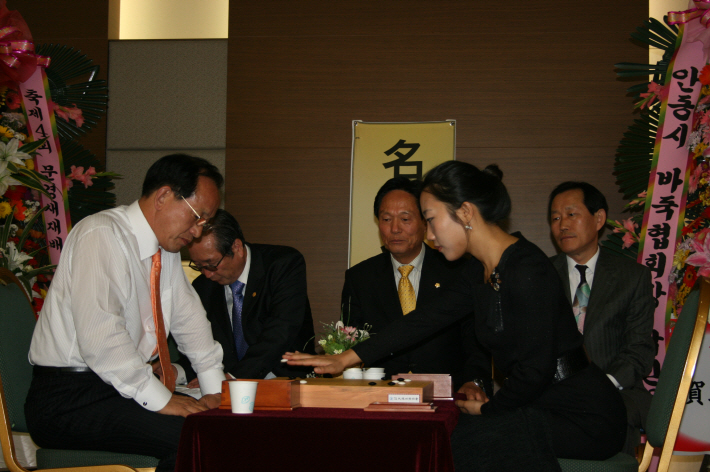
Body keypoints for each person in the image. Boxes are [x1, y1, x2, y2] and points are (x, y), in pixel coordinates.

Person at [285, 161, 626, 472]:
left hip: (582, 415)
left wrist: (489, 410)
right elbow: (423, 320)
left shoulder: (526, 268)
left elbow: (535, 369)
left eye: (431, 220)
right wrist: (346, 357)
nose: (430, 235)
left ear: (464, 212)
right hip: (536, 406)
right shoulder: (478, 270)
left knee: (454, 445)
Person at [26, 154, 227, 472]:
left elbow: (189, 319)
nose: (198, 231)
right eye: (197, 217)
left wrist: (215, 389)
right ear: (163, 196)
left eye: (206, 222)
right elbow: (102, 339)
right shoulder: (101, 234)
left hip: (118, 389)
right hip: (69, 398)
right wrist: (162, 400)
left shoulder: (164, 250)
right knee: (196, 438)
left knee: (221, 427)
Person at [341, 177, 491, 391]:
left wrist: (475, 382)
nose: (394, 229)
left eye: (405, 218)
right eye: (386, 219)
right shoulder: (359, 278)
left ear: (424, 222)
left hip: (449, 394)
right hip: (379, 394)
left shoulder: (458, 271)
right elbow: (350, 340)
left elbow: (476, 340)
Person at [548, 181, 654, 455]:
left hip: (614, 393)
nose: (562, 225)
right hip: (552, 395)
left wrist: (600, 387)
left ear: (599, 219)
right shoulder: (540, 275)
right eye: (555, 218)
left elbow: (639, 350)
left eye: (571, 214)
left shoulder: (632, 277)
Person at [178, 208, 316, 382]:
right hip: (226, 381)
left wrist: (235, 378)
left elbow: (280, 333)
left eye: (211, 263)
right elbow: (201, 344)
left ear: (237, 247)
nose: (207, 274)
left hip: (284, 378)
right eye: (198, 266)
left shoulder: (283, 265)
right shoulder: (203, 286)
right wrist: (177, 371)